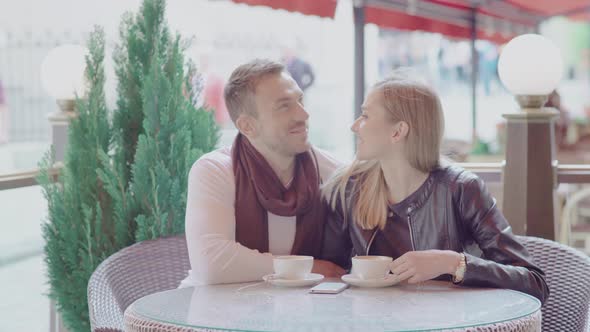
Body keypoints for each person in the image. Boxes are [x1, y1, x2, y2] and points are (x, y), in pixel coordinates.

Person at [321, 74, 549, 303]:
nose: (354, 126)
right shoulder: (349, 189)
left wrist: (452, 263)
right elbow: (333, 272)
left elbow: (534, 283)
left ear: (398, 132)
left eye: (365, 115)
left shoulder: (462, 189)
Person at [180, 59, 344, 287]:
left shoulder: (331, 173)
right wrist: (308, 267)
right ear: (247, 126)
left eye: (300, 100)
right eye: (284, 106)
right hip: (212, 315)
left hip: (300, 314)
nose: (303, 114)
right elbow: (212, 264)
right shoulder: (214, 170)